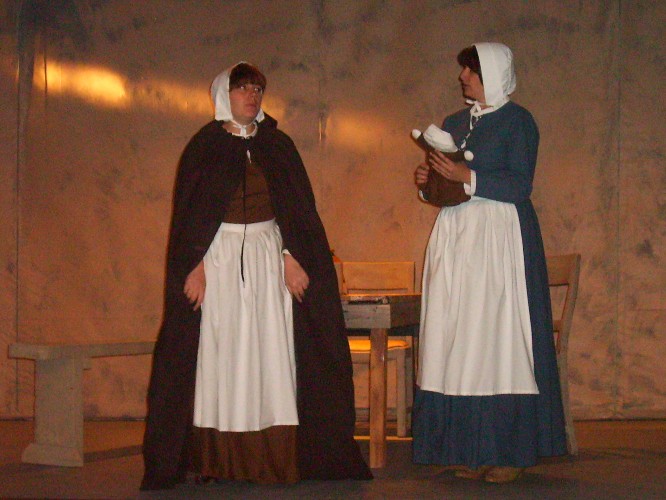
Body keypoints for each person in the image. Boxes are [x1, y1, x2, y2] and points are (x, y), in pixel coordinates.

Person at [140, 62, 372, 490]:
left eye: (257, 89)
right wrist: (194, 264)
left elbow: (298, 210)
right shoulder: (204, 147)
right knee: (220, 355)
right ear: (223, 95)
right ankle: (214, 459)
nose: (252, 96)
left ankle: (273, 458)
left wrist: (292, 254)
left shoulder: (277, 146)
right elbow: (189, 216)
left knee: (270, 353)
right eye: (243, 88)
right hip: (218, 262)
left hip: (269, 262)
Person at [412, 43, 567, 483]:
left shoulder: (519, 122)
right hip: (457, 240)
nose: (463, 77)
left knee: (498, 340)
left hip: (500, 240)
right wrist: (428, 182)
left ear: (494, 74)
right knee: (457, 338)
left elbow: (519, 184)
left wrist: (467, 176)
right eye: (464, 70)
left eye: (472, 71)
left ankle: (509, 451)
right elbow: (446, 188)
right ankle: (463, 449)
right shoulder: (454, 123)